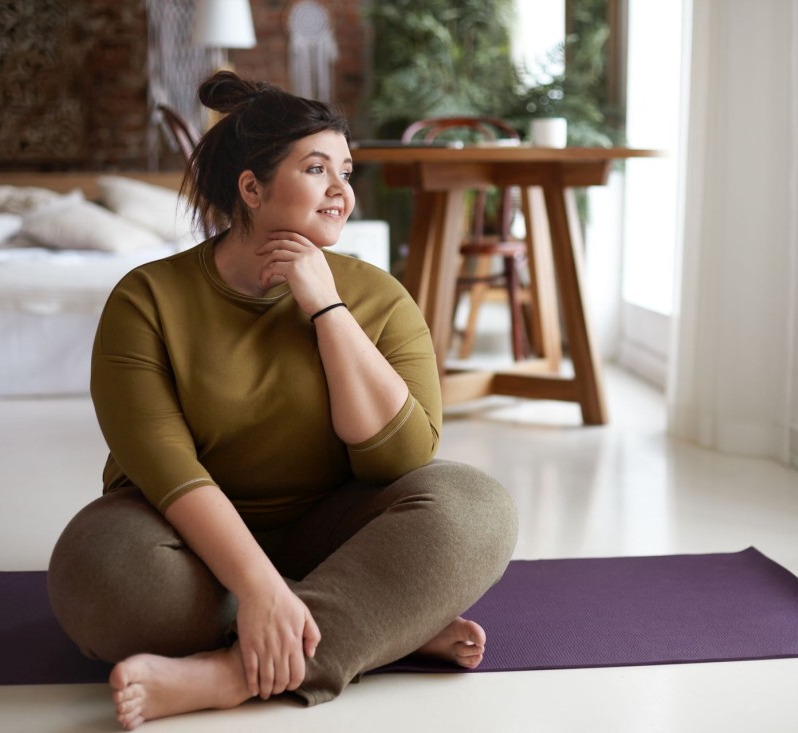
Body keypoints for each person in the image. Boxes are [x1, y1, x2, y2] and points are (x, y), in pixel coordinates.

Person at [47, 71, 518, 730]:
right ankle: (373, 626)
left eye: (346, 171)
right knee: (104, 576)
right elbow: (169, 473)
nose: (342, 191)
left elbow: (402, 457)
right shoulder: (146, 300)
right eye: (317, 168)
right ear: (252, 188)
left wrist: (326, 306)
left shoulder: (378, 296)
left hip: (330, 528)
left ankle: (231, 671)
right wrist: (259, 587)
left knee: (476, 506)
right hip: (184, 542)